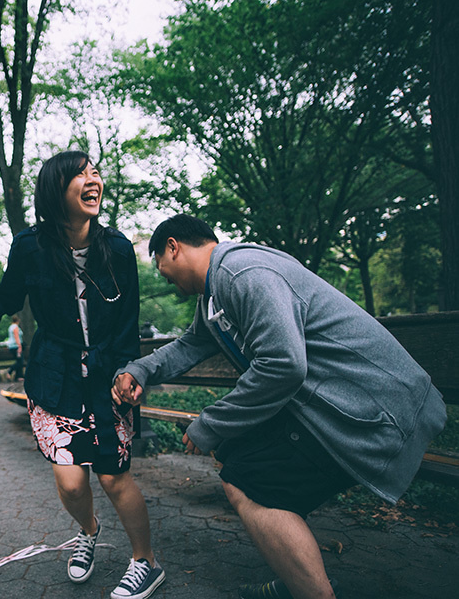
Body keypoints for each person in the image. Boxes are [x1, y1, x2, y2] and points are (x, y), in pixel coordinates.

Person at [112, 214, 447, 599]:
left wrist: (211, 424)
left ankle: (310, 592)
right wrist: (140, 369)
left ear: (173, 246)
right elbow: (188, 346)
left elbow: (284, 366)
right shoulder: (216, 294)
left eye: (159, 262)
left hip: (376, 415)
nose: (162, 274)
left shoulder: (243, 273)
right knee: (239, 455)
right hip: (339, 408)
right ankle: (297, 577)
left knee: (246, 481)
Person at [0, 151, 165, 599]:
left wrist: (132, 370)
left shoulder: (119, 247)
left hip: (109, 378)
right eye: (82, 173)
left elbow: (129, 317)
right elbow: (1, 301)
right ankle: (88, 533)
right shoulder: (30, 246)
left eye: (96, 172)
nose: (94, 179)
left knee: (112, 476)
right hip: (56, 378)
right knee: (71, 482)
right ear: (57, 188)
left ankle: (145, 561)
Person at [5, 314, 25, 381]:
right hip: (16, 346)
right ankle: (9, 371)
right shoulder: (15, 327)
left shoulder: (10, 327)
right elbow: (16, 337)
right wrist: (19, 346)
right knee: (20, 362)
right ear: (18, 320)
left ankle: (18, 377)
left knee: (19, 361)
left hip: (11, 346)